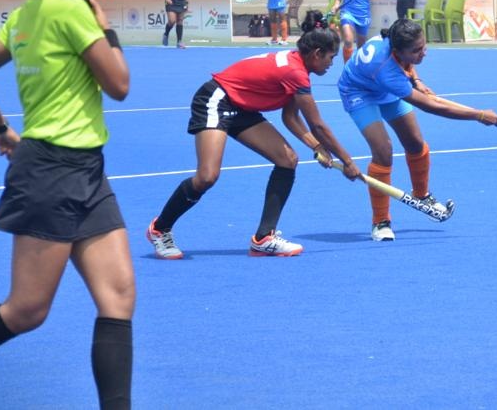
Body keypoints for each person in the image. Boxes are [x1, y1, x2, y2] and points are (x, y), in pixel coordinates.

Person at [0, 0, 134, 408]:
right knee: (26, 310)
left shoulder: (29, 9)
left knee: (117, 297)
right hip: (52, 171)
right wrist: (106, 26)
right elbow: (119, 84)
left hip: (85, 169)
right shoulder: (71, 7)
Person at [146, 28, 361, 259]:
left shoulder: (299, 67)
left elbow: (290, 117)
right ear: (317, 53)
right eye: (331, 57)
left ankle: (263, 238)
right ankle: (160, 228)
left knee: (287, 160)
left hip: (242, 108)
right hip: (217, 100)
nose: (331, 64)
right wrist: (347, 162)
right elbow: (317, 125)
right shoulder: (295, 72)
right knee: (207, 177)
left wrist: (317, 147)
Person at [336, 18, 497, 241]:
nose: (423, 53)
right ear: (398, 50)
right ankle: (380, 222)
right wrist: (478, 115)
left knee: (414, 142)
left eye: (423, 46)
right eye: (416, 51)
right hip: (358, 92)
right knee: (383, 151)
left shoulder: (395, 41)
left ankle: (422, 196)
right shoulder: (386, 71)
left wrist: (417, 80)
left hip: (382, 85)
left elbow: (404, 63)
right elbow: (432, 107)